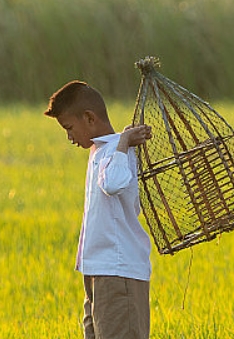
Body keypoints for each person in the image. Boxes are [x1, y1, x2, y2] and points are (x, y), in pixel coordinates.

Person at [44, 80, 153, 339]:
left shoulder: (118, 150)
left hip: (118, 271)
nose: (69, 137)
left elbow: (113, 184)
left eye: (69, 128)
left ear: (90, 118)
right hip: (98, 271)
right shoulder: (101, 151)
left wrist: (124, 140)